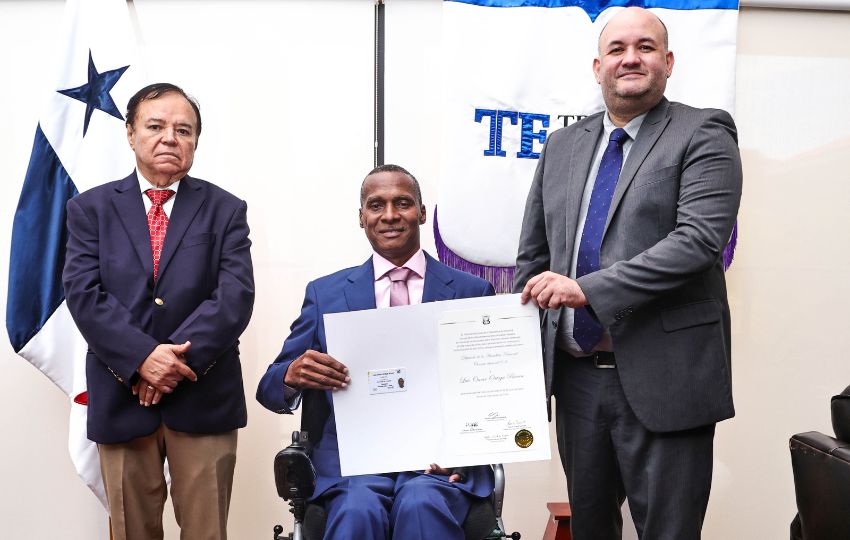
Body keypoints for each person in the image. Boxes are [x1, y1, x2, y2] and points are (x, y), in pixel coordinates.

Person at [513, 7, 742, 539]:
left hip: (668, 376)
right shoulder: (562, 146)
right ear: (598, 67)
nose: (630, 58)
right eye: (617, 49)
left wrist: (584, 290)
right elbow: (535, 256)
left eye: (645, 47)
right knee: (590, 529)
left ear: (668, 61)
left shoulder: (703, 131)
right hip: (576, 381)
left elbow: (698, 242)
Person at [257, 164, 495, 540]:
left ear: (421, 212)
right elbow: (269, 388)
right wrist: (292, 375)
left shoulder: (471, 291)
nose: (389, 215)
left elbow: (489, 386)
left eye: (402, 203)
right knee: (356, 510)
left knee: (421, 504)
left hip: (440, 463)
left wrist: (469, 449)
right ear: (361, 217)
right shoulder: (326, 294)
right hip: (353, 466)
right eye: (375, 205)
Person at [63, 83, 254, 540]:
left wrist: (172, 363)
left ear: (195, 142)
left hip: (203, 396)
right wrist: (142, 360)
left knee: (208, 533)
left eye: (183, 130)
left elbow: (234, 297)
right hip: (121, 395)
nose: (170, 137)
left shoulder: (226, 209)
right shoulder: (89, 209)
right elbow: (83, 293)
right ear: (130, 134)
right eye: (156, 126)